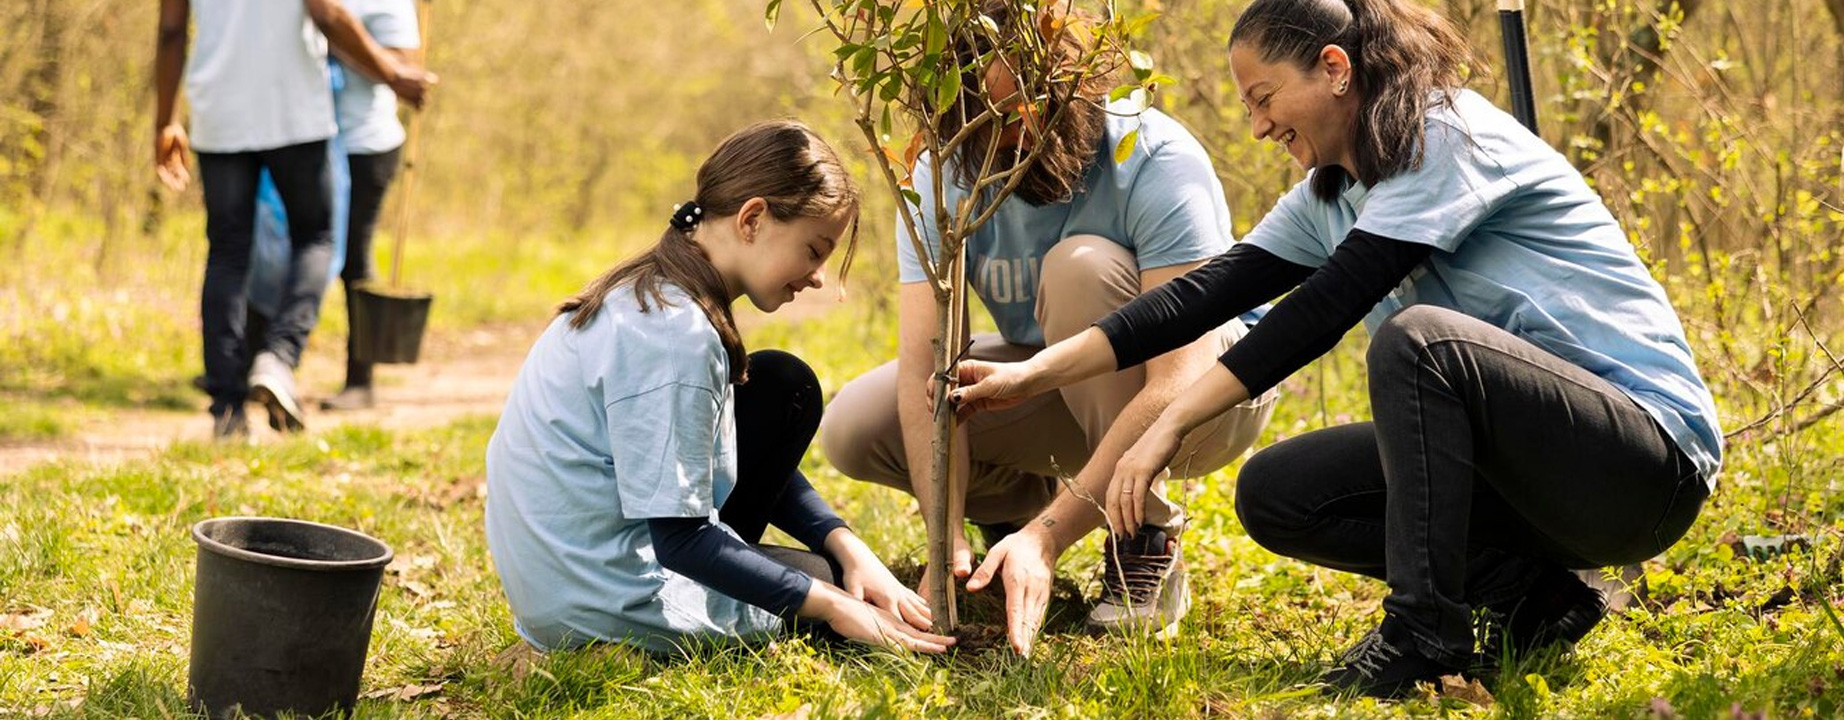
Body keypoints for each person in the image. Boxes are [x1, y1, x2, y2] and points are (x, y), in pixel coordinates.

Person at [950, 0, 1723, 696]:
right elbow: (1202, 296)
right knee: (1279, 493)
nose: (1257, 126)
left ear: (1334, 68)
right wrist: (1036, 370)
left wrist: (1166, 423)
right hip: (1536, 475)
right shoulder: (1333, 189)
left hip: (1641, 466)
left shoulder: (1445, 133)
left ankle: (1424, 633)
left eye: (1264, 98)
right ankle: (1540, 594)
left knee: (1418, 343)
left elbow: (1325, 306)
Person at [817, 0, 1275, 645]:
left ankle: (1141, 535)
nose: (1013, 134)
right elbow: (928, 363)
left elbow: (1182, 373)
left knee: (1079, 269)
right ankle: (1007, 523)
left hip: (1208, 394)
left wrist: (1052, 539)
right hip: (1062, 382)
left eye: (1031, 105)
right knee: (858, 425)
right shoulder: (944, 170)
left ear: (1075, 87)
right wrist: (942, 532)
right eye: (987, 119)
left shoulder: (1153, 155)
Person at [485, 121, 952, 655]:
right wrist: (832, 603)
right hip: (598, 599)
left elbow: (706, 449)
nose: (818, 275)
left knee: (782, 386)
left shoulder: (657, 291)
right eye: (813, 250)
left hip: (567, 580)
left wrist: (844, 543)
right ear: (752, 219)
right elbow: (680, 540)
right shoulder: (674, 336)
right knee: (829, 596)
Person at [155, 0, 435, 439]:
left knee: (228, 253)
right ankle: (278, 357)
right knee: (317, 237)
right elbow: (326, 14)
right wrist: (392, 73)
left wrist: (165, 120)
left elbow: (172, 30)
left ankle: (227, 410)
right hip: (295, 112)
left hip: (219, 113)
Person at [321, 0, 426, 412]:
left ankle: (360, 381)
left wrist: (333, 38)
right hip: (306, 139)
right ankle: (252, 365)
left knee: (353, 256)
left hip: (365, 144)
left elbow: (405, 69)